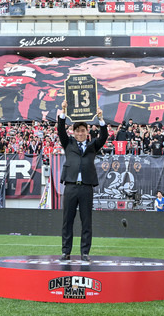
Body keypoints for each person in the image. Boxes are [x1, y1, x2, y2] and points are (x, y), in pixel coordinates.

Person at [58, 99, 108, 262]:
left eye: (82, 130)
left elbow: (104, 136)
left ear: (87, 132)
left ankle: (85, 253)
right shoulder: (68, 143)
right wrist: (63, 111)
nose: (80, 133)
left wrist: (101, 119)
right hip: (71, 186)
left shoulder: (93, 145)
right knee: (68, 221)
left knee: (86, 221)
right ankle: (66, 252)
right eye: (77, 130)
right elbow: (60, 130)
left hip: (86, 187)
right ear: (73, 132)